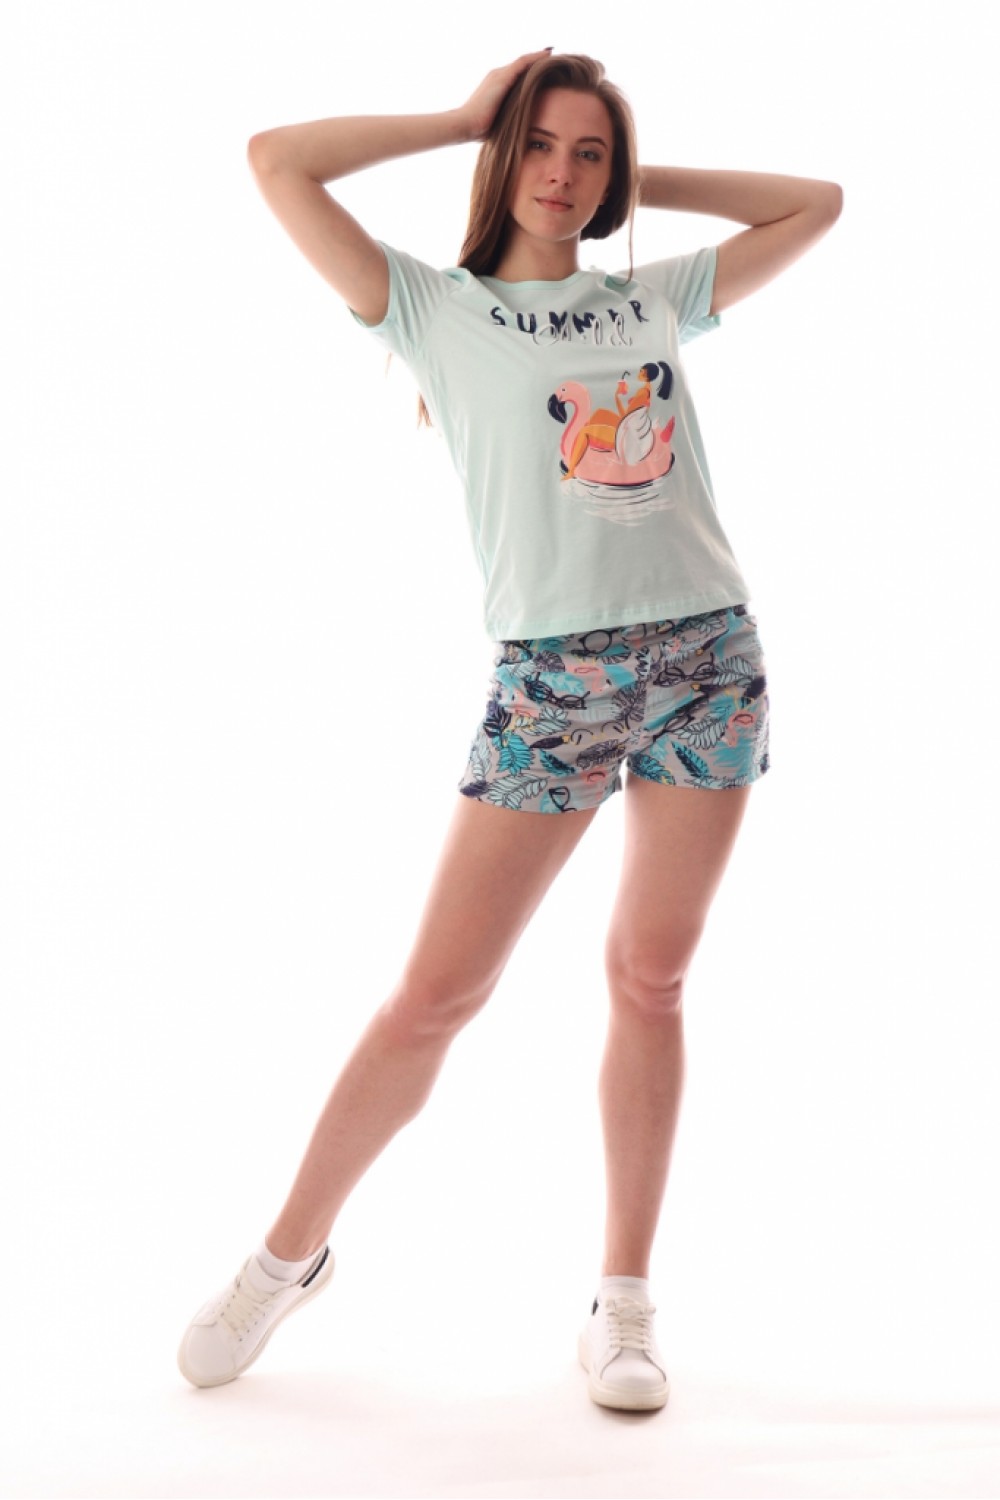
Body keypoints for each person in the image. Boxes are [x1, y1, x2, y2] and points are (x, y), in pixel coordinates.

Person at [178, 49, 841, 1412]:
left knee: (651, 979)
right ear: (502, 153)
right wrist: (456, 119)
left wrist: (639, 181)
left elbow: (815, 202)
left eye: (589, 153)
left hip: (708, 660)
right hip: (552, 682)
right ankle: (284, 1260)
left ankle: (623, 1301)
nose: (562, 173)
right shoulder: (432, 307)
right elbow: (275, 161)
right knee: (436, 996)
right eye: (540, 145)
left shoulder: (649, 297)